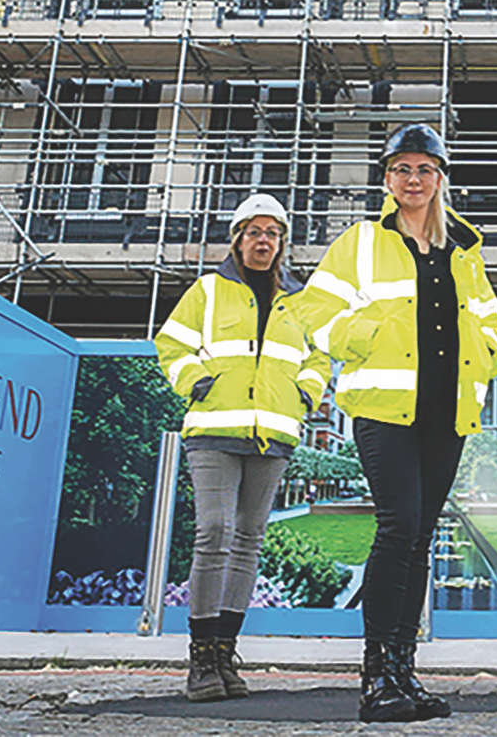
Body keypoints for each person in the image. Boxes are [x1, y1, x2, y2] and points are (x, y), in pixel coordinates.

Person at [296, 123, 497, 723]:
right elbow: (312, 311)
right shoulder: (360, 241)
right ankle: (376, 677)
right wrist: (364, 336)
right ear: (387, 179)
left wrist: (486, 355)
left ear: (441, 178)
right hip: (384, 409)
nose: (413, 180)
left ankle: (403, 672)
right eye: (401, 169)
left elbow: (490, 323)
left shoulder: (464, 248)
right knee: (399, 526)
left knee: (420, 538)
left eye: (424, 169)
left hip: (448, 410)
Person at [154, 193, 328, 703]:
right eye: (254, 232)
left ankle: (225, 654)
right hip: (214, 429)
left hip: (273, 434)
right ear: (237, 239)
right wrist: (196, 381)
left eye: (272, 233)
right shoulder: (208, 291)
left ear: (282, 242)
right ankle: (201, 656)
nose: (263, 241)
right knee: (215, 531)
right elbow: (171, 344)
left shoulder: (300, 300)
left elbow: (320, 356)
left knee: (250, 538)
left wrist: (306, 393)